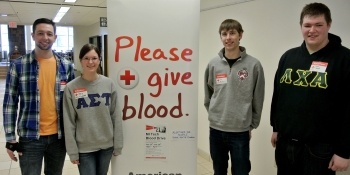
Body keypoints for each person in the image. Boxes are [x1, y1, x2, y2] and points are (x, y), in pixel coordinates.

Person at [270, 2, 350, 175]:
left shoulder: (344, 59)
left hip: (320, 150)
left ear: (329, 25)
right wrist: (275, 127)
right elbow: (278, 95)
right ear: (301, 27)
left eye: (318, 25)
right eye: (307, 25)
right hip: (285, 145)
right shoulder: (288, 57)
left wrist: (344, 151)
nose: (312, 30)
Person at [3, 18, 75, 175]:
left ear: (55, 37)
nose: (45, 37)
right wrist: (10, 138)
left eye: (49, 33)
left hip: (59, 137)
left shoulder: (67, 66)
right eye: (40, 33)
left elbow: (73, 104)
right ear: (33, 36)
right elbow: (10, 104)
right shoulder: (18, 66)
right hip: (30, 137)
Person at [204, 19, 265, 175]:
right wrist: (214, 115)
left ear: (240, 35)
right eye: (224, 34)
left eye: (232, 33)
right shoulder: (213, 64)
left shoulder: (254, 65)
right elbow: (209, 94)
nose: (228, 38)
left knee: (241, 171)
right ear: (220, 37)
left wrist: (251, 125)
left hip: (240, 132)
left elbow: (258, 97)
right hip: (216, 129)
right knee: (219, 170)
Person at [63, 43, 123, 175]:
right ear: (80, 61)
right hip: (84, 148)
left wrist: (118, 143)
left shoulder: (109, 84)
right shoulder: (71, 87)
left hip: (106, 146)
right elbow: (69, 122)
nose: (90, 62)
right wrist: (72, 151)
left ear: (100, 60)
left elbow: (115, 115)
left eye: (94, 58)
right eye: (86, 58)